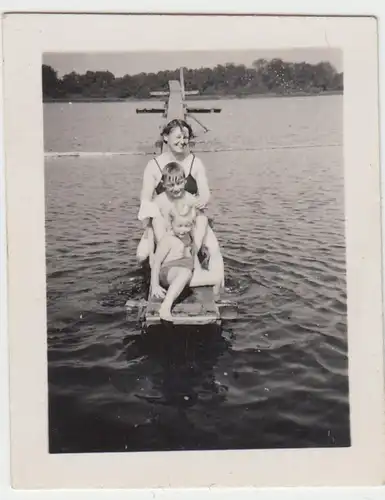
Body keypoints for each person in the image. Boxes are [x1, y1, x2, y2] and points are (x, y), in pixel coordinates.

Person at [136, 118, 224, 291]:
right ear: (166, 137)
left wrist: (202, 200)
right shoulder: (153, 165)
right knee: (141, 254)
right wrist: (149, 228)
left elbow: (205, 191)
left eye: (185, 137)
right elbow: (146, 199)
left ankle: (218, 292)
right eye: (177, 137)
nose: (182, 142)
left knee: (214, 250)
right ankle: (155, 280)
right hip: (163, 220)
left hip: (189, 219)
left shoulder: (194, 162)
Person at [151, 204, 222, 322]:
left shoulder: (188, 236)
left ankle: (214, 302)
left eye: (187, 226)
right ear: (171, 224)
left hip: (187, 272)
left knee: (216, 278)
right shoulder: (168, 239)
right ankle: (165, 306)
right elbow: (156, 263)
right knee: (184, 273)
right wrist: (155, 286)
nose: (183, 230)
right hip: (169, 272)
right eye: (179, 226)